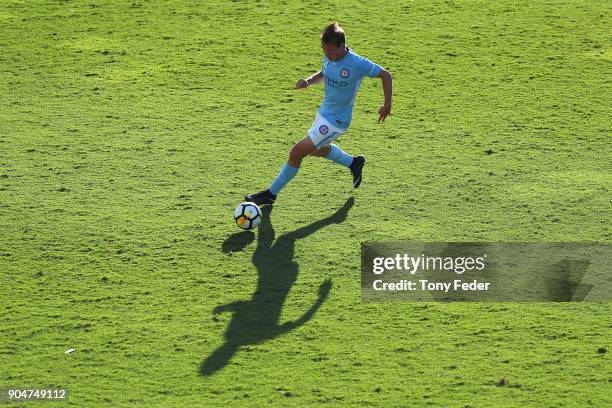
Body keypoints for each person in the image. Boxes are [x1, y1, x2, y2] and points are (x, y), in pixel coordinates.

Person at [246, 22, 393, 205]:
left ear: (342, 46)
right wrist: (308, 81)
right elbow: (325, 73)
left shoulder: (357, 63)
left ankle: (270, 193)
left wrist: (387, 104)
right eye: (323, 49)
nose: (326, 53)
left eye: (329, 50)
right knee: (318, 150)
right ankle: (353, 163)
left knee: (297, 152)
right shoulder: (330, 57)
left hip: (337, 120)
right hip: (324, 113)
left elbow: (386, 75)